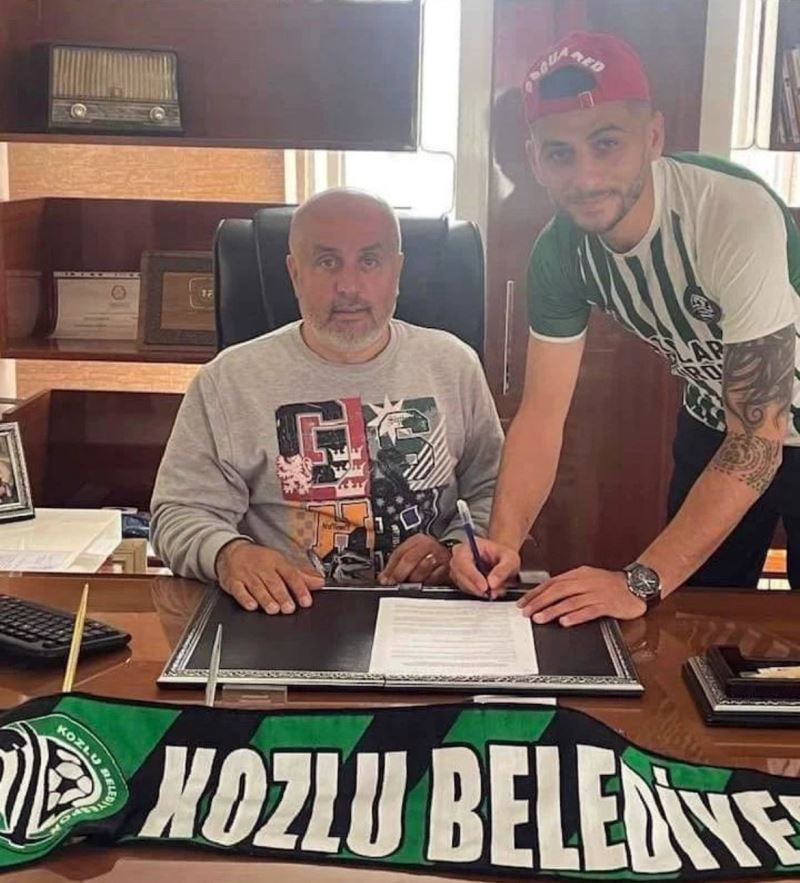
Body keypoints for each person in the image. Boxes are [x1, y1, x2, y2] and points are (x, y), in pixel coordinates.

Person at [451, 31, 800, 623]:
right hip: (715, 418)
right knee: (697, 619)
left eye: (606, 144)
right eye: (560, 153)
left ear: (653, 138)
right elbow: (541, 416)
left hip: (759, 426)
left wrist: (637, 580)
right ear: (536, 161)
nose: (586, 178)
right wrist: (501, 542)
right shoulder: (559, 254)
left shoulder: (729, 212)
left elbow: (759, 441)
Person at [151, 188, 503, 614]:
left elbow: (493, 489)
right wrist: (229, 554)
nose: (349, 286)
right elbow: (178, 513)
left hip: (429, 612)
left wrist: (454, 547)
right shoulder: (227, 380)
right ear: (295, 272)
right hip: (286, 614)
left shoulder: (454, 365)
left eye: (369, 262)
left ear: (397, 271)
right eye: (327, 262)